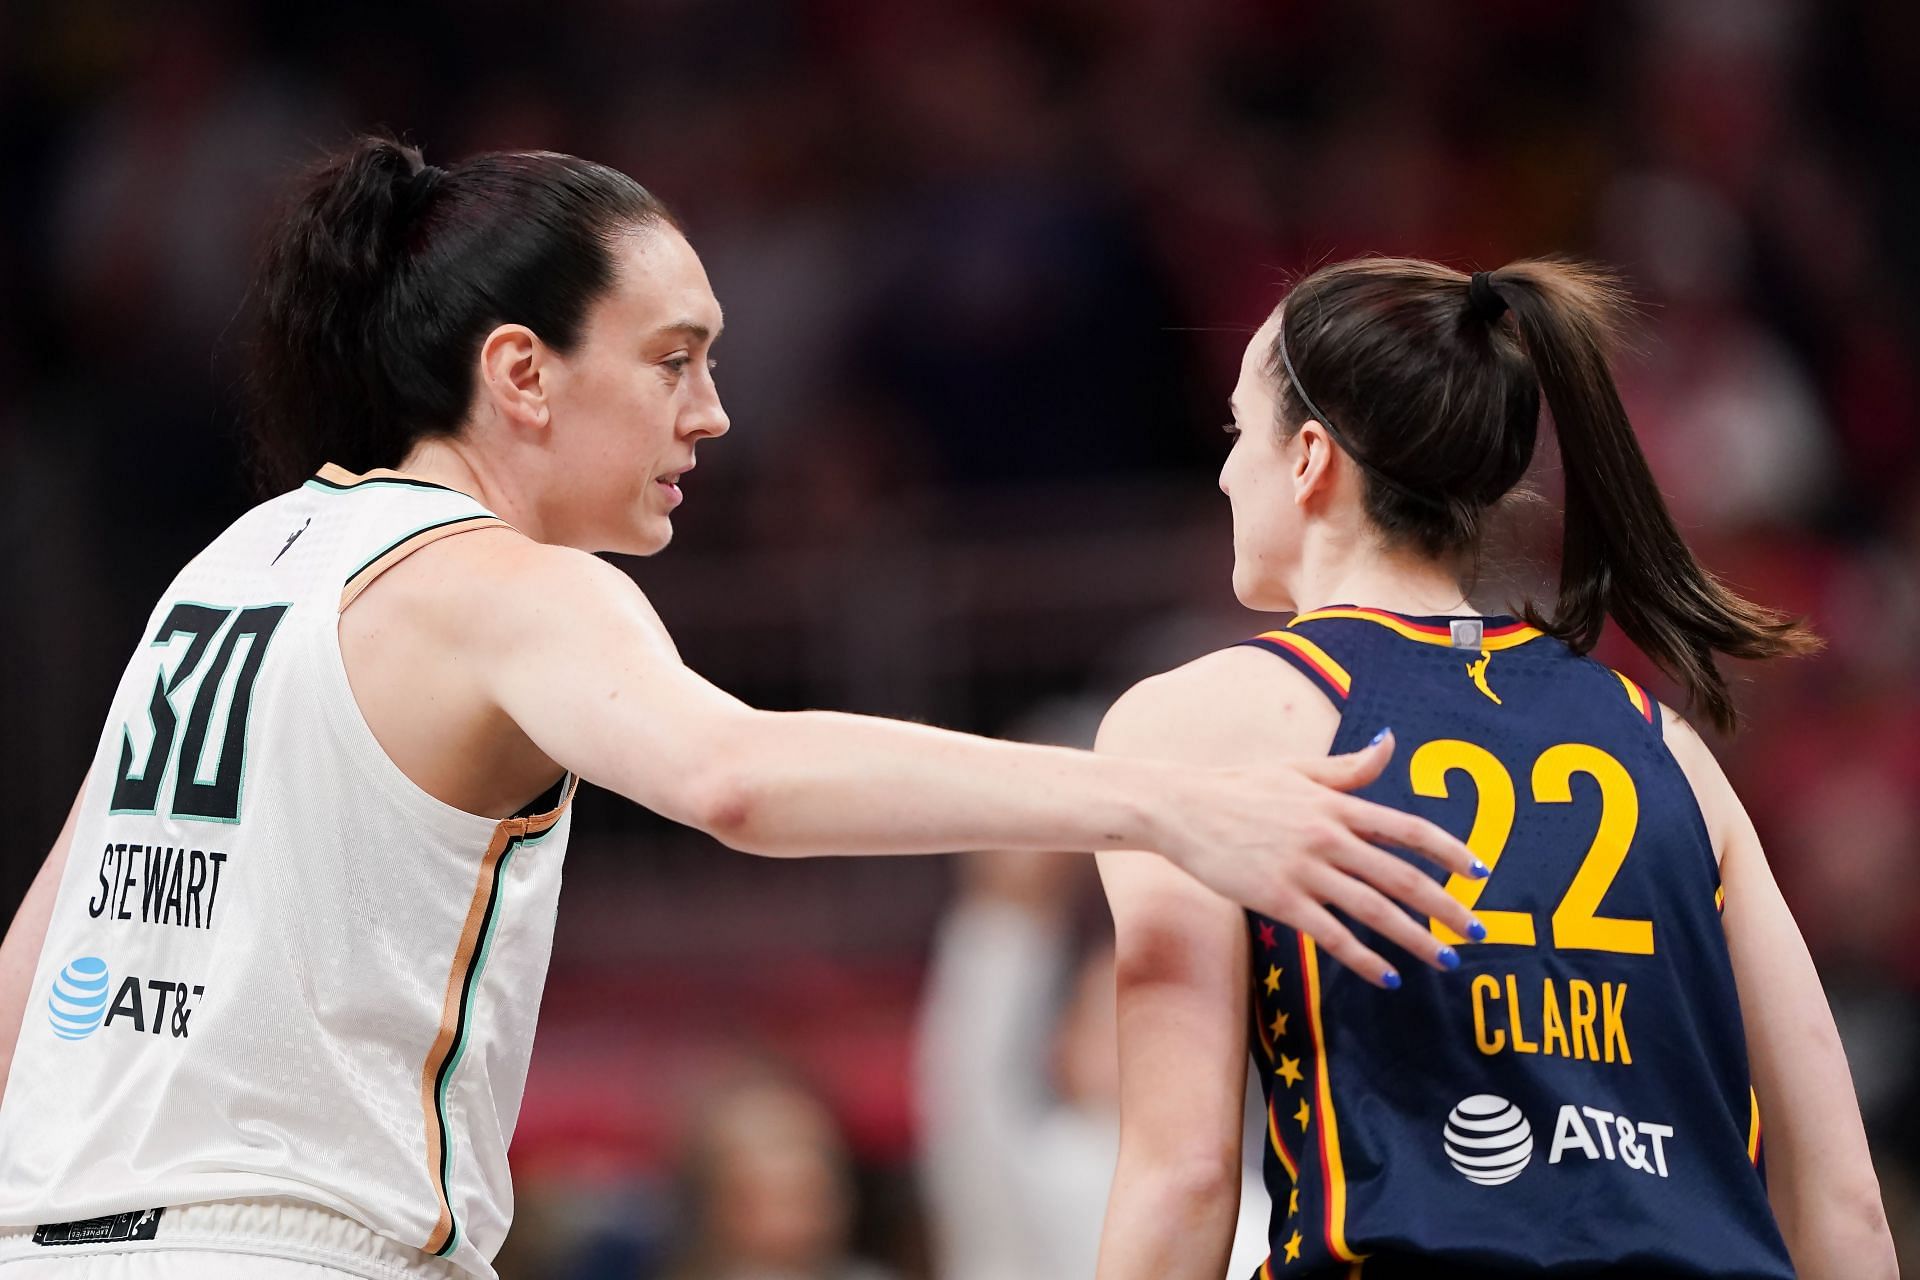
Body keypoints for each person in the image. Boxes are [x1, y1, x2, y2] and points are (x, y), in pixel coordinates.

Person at [0, 136, 1480, 1280]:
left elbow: (36, 956)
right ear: (519, 373)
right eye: (673, 360)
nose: (712, 412)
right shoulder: (505, 579)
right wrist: (1162, 799)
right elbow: (734, 775)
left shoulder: (227, 569)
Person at [1094, 258, 1898, 1279]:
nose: (1220, 473)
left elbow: (1186, 1177)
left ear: (1306, 457)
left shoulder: (1199, 723)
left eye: (1233, 432)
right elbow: (1847, 1206)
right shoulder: (1671, 747)